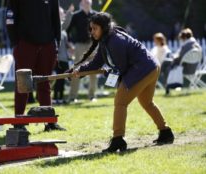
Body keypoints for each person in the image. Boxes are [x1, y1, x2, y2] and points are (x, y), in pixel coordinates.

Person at [71, 12, 174, 153]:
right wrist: (80, 71)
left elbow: (121, 68)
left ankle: (118, 139)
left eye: (94, 28)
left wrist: (108, 72)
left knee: (120, 102)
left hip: (143, 69)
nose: (92, 32)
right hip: (152, 67)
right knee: (147, 102)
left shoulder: (115, 41)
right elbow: (97, 62)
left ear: (103, 28)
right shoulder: (107, 38)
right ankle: (165, 132)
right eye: (91, 28)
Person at [5, 0, 65, 131]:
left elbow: (56, 19)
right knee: (22, 84)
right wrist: (16, 43)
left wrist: (57, 42)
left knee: (45, 83)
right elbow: (10, 19)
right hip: (25, 44)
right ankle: (19, 122)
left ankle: (49, 122)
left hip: (48, 44)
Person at [63, 0, 98, 102]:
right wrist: (70, 45)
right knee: (76, 70)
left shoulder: (95, 15)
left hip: (93, 44)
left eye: (88, 2)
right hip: (79, 45)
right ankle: (73, 96)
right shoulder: (76, 15)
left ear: (91, 3)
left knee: (94, 70)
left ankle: (92, 95)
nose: (86, 3)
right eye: (84, 2)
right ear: (82, 4)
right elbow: (68, 31)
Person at [166, 28, 202, 94]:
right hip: (196, 68)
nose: (181, 40)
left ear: (184, 37)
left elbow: (179, 59)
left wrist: (174, 57)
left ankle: (169, 86)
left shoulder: (186, 46)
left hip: (185, 69)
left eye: (182, 38)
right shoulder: (197, 45)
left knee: (169, 65)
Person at [53, 7, 74, 105]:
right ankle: (55, 98)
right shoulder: (54, 28)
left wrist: (70, 48)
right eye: (62, 13)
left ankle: (60, 97)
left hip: (64, 58)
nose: (63, 15)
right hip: (57, 59)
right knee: (58, 79)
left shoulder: (63, 30)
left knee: (63, 78)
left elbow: (65, 43)